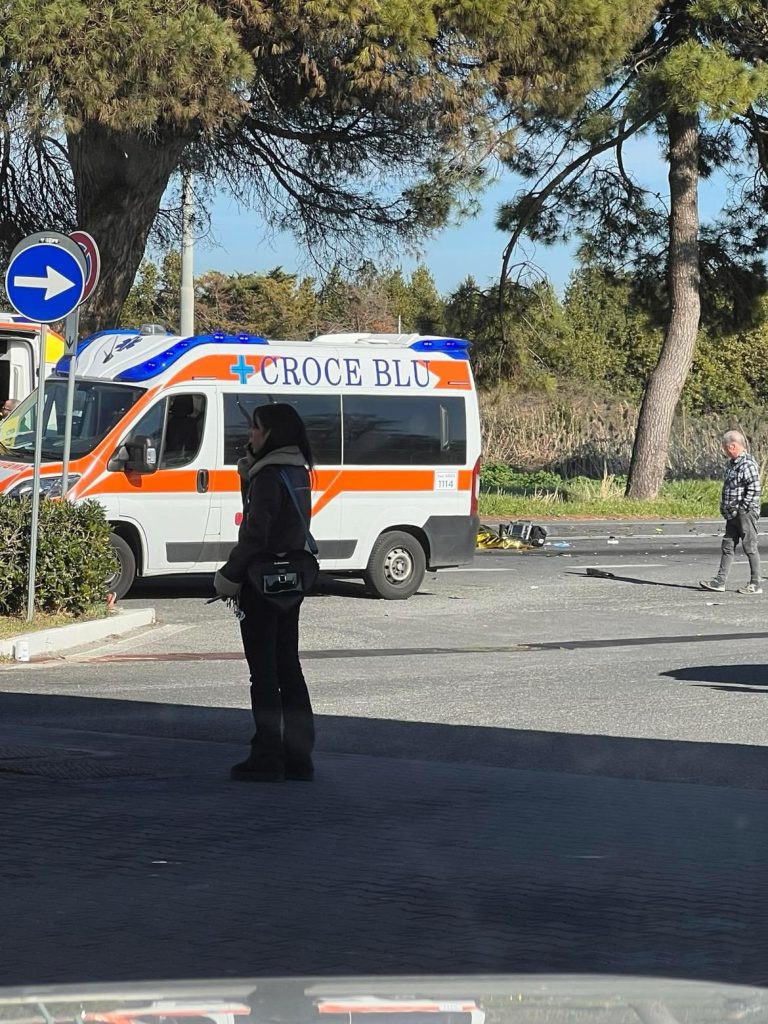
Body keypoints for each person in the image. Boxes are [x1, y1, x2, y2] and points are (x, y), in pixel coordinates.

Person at [213, 403, 316, 782]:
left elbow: (257, 534)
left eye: (256, 429)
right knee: (289, 667)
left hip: (261, 581)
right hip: (291, 577)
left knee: (264, 672)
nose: (250, 436)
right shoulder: (296, 469)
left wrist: (229, 574)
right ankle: (299, 757)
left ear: (271, 434)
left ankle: (267, 755)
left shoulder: (270, 475)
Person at [700, 430, 762, 595]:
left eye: (725, 448)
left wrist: (743, 507)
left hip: (745, 513)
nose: (724, 451)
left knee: (750, 546)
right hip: (732, 514)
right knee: (728, 545)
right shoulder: (732, 463)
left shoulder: (747, 464)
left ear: (733, 446)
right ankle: (720, 581)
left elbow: (755, 489)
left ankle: (756, 583)